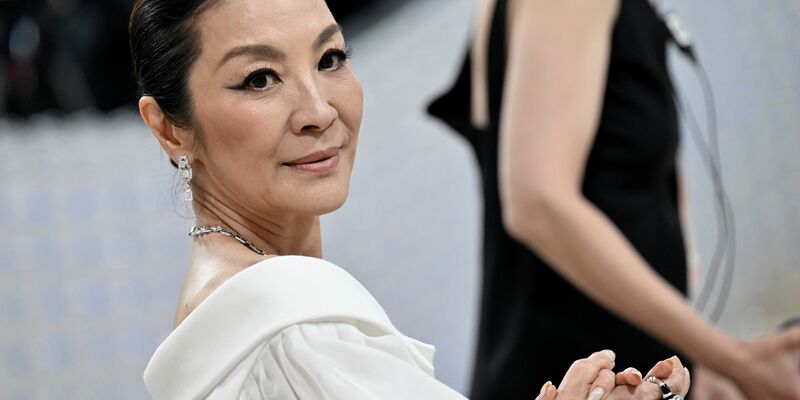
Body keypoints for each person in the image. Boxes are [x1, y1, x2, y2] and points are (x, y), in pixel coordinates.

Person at [129, 0, 690, 398]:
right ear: (168, 128)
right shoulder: (292, 333)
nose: (319, 111)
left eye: (329, 59)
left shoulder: (235, 310)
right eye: (259, 79)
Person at [428, 0, 800, 399]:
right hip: (577, 378)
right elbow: (537, 204)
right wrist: (736, 361)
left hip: (621, 373)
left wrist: (699, 367)